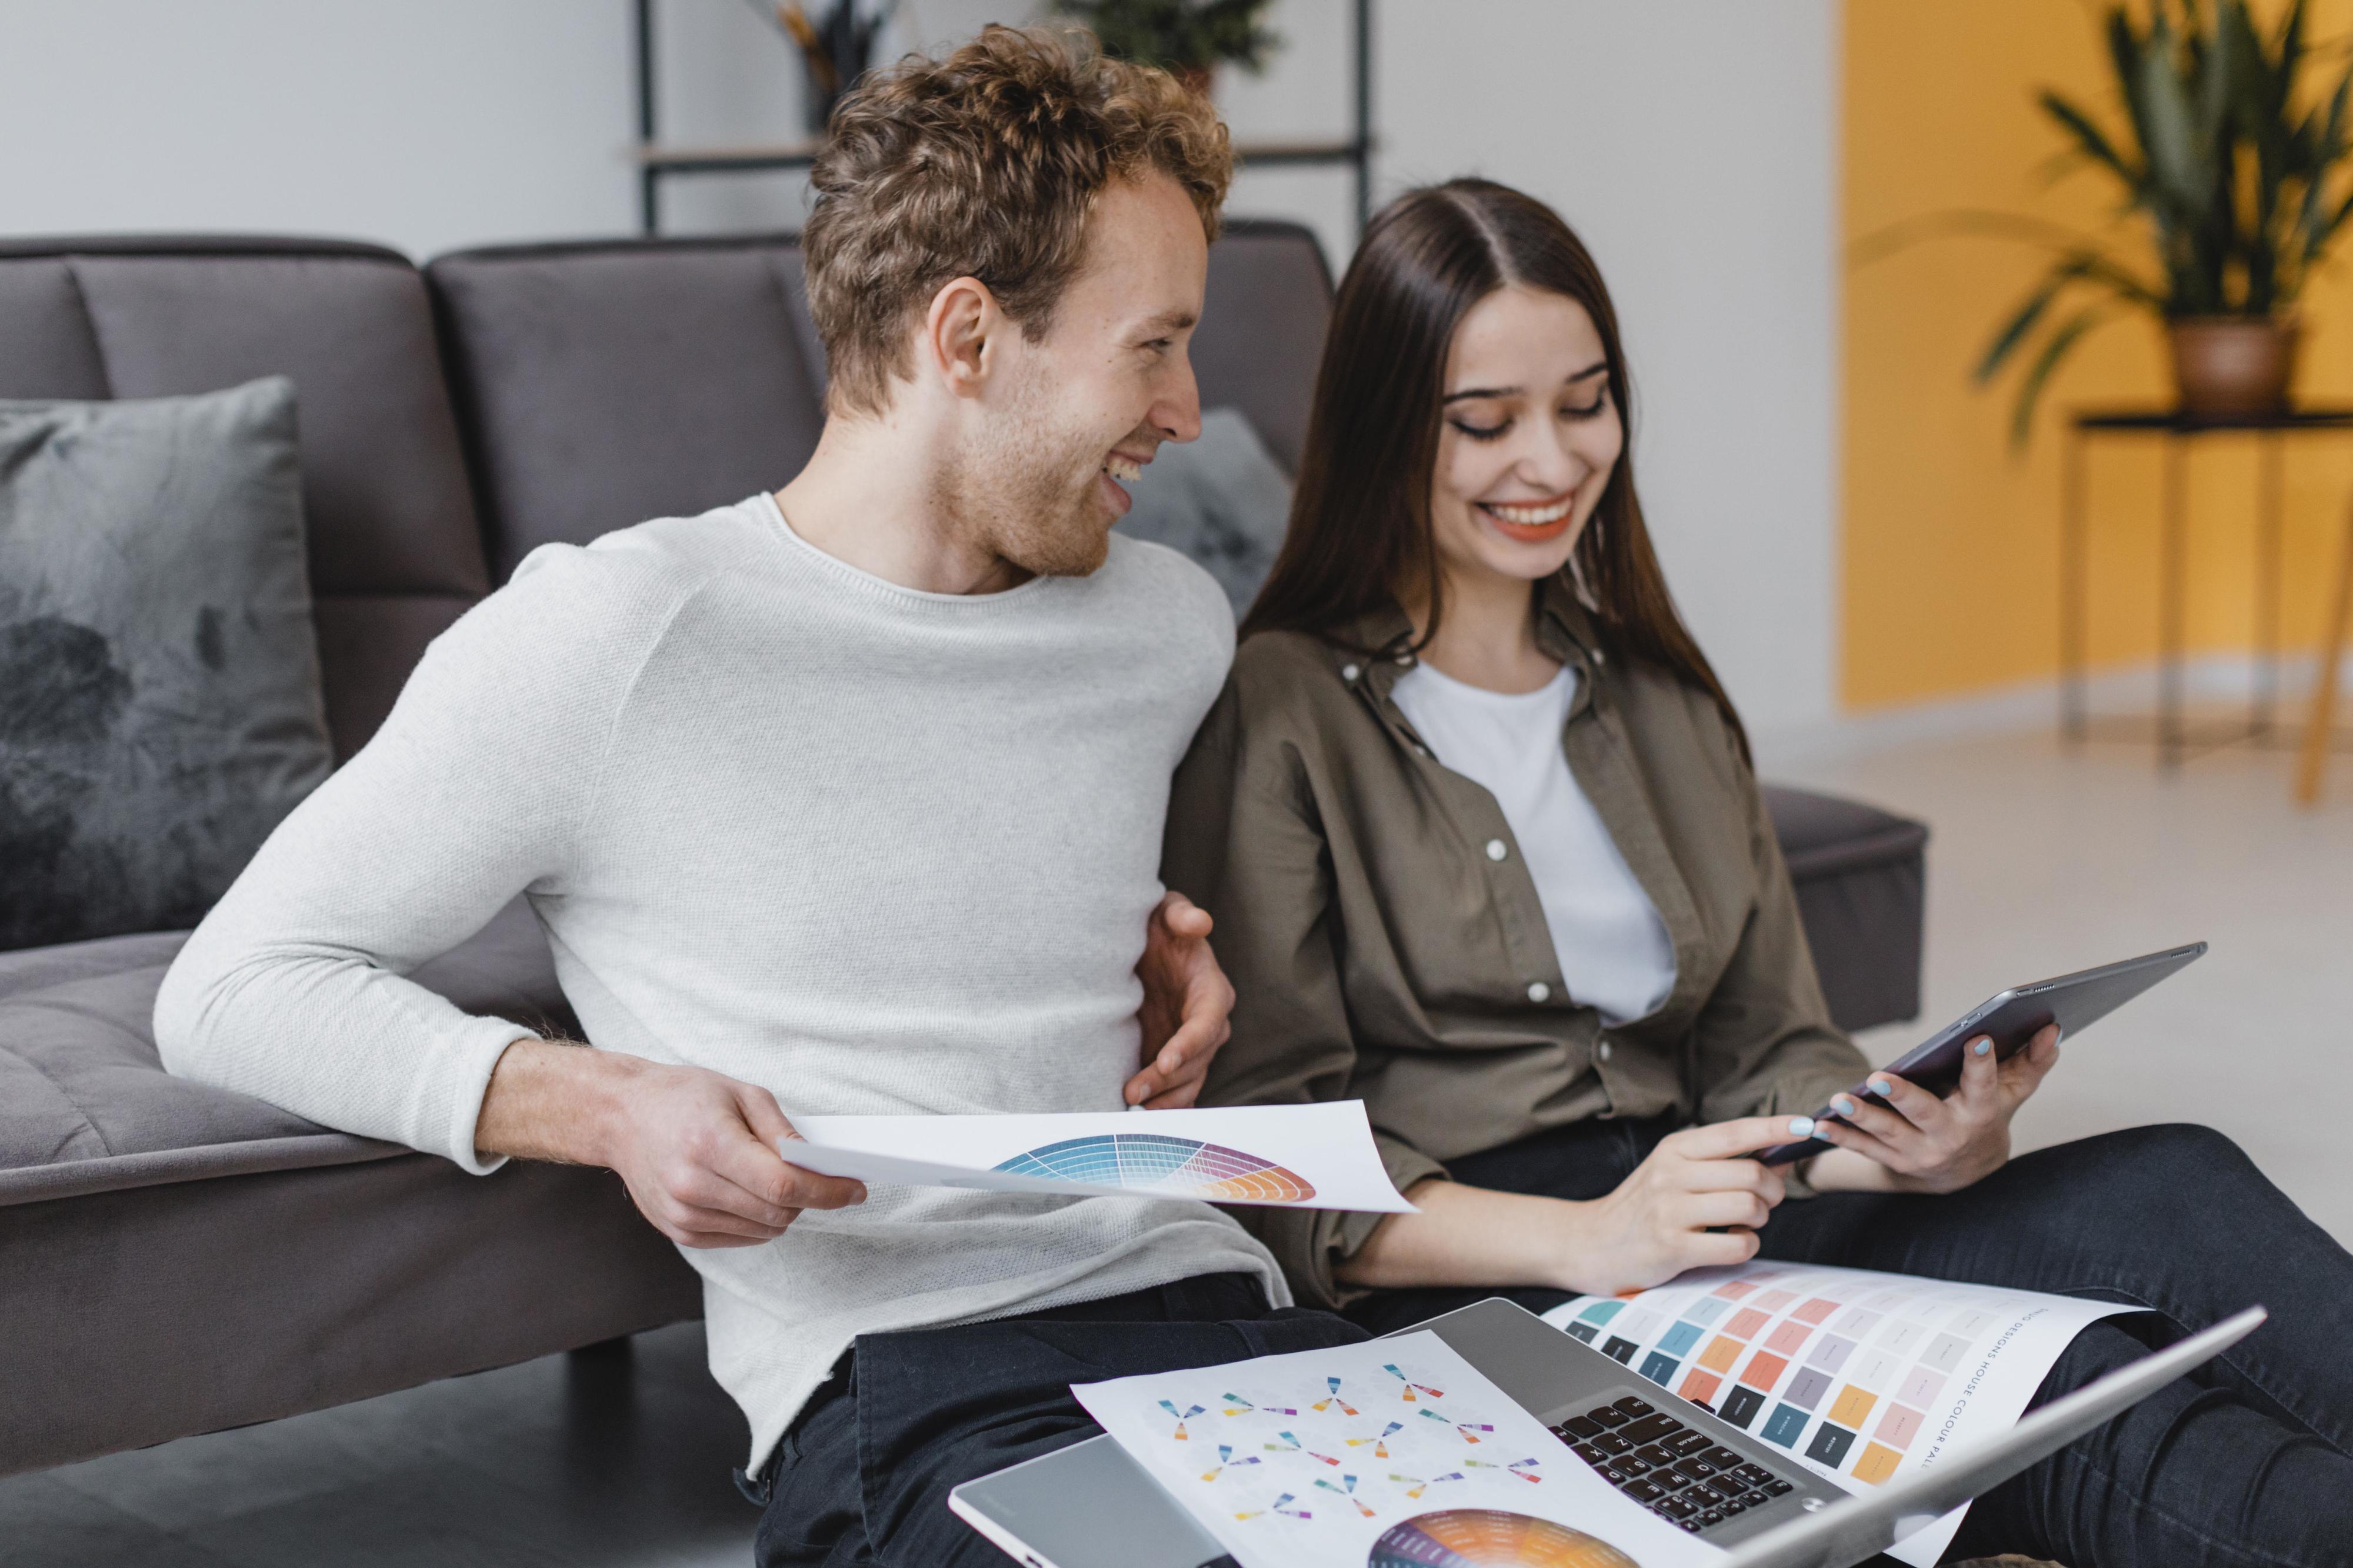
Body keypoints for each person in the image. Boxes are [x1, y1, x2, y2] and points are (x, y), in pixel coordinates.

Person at [156, 29, 1362, 1567]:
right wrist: (611, 1103)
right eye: (1154, 346)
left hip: (1225, 1304)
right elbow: (237, 985)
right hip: (916, 1378)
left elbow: (1023, 873)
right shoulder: (619, 634)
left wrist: (1159, 927)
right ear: (968, 338)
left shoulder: (1166, 621)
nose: (1191, 409)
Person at [1166, 178, 2353, 1567]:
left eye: (1583, 401)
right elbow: (1272, 1166)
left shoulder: (1657, 693)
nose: (1547, 460)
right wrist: (1592, 1235)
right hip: (1499, 1276)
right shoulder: (1285, 708)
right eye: (1482, 423)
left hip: (1722, 1214)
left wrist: (1910, 1145)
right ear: (1384, 434)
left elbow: (1768, 1042)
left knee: (2178, 1186)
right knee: (2083, 1402)